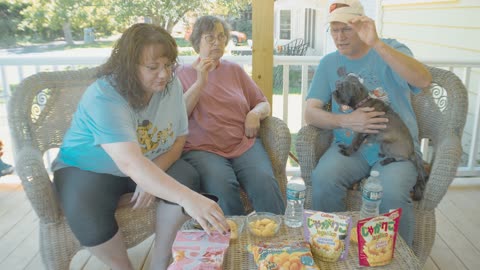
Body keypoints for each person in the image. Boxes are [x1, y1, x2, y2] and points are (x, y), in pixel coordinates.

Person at [51, 23, 228, 270]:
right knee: (84, 205)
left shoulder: (171, 86)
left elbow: (178, 139)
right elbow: (130, 163)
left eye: (168, 65)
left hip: (145, 163)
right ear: (127, 67)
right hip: (88, 167)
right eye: (152, 67)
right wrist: (190, 199)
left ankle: (160, 261)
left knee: (186, 176)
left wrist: (151, 175)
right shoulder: (105, 95)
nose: (164, 74)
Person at [304, 0, 431, 247]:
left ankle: (398, 261)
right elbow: (310, 113)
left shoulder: (391, 49)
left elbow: (423, 80)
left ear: (362, 25)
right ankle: (332, 248)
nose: (339, 37)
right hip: (351, 148)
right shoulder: (328, 63)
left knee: (392, 194)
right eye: (334, 29)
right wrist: (346, 120)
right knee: (323, 180)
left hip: (396, 149)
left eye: (346, 29)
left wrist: (377, 44)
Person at [176, 16, 285, 216]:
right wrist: (201, 81)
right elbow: (178, 116)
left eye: (221, 36)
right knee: (223, 186)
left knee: (264, 180)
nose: (217, 42)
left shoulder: (234, 69)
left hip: (243, 143)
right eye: (210, 38)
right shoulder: (180, 74)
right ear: (196, 42)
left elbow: (263, 103)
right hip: (203, 149)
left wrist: (254, 114)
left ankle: (278, 238)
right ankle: (233, 239)